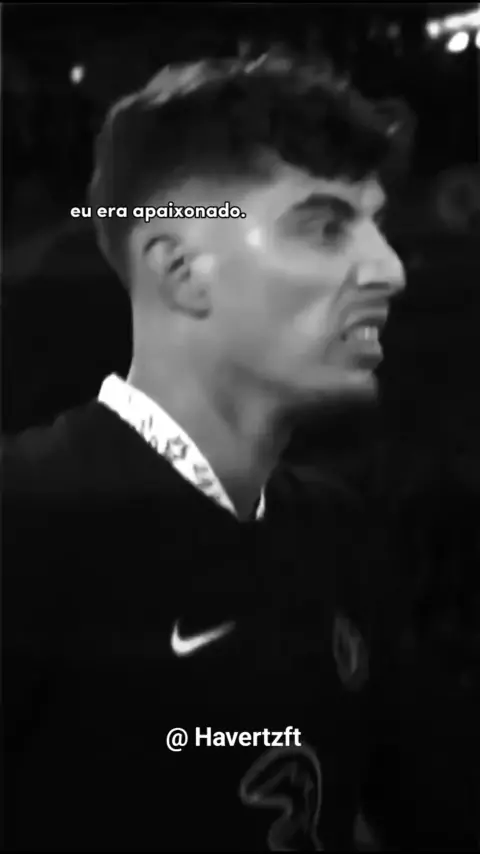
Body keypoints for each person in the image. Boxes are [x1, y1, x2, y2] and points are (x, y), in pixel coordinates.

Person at [3, 50, 408, 851]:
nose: (389, 269)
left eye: (378, 226)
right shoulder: (22, 519)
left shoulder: (342, 534)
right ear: (183, 269)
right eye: (326, 227)